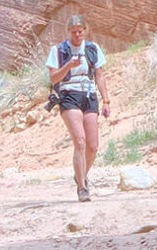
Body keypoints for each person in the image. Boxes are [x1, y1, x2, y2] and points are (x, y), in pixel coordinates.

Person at [45, 13, 109, 201]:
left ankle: (80, 174)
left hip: (89, 95)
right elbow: (53, 78)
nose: (77, 36)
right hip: (68, 94)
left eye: (80, 32)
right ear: (68, 32)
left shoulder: (92, 48)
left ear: (85, 31)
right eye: (74, 32)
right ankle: (82, 187)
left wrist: (106, 100)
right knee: (80, 141)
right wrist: (67, 66)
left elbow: (99, 75)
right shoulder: (58, 50)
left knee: (93, 146)